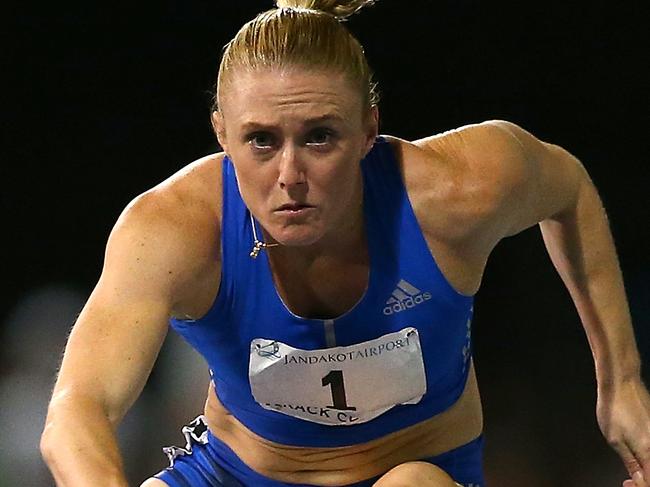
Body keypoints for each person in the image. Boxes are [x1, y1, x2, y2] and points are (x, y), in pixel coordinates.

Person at [40, 1, 650, 486]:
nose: (289, 174)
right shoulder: (174, 230)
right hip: (236, 474)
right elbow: (77, 409)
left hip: (415, 469)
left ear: (368, 130)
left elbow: (566, 188)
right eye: (259, 141)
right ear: (220, 133)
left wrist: (621, 381)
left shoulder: (456, 191)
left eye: (319, 137)